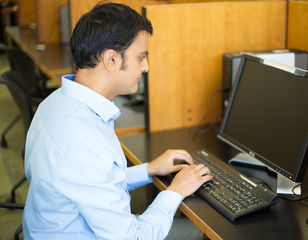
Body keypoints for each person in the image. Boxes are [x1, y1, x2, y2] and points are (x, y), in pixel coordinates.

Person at [22, 2, 212, 239]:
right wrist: (176, 190)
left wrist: (148, 169)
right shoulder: (85, 140)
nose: (146, 67)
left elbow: (93, 182)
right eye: (141, 57)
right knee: (200, 233)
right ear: (111, 59)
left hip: (46, 228)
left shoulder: (56, 102)